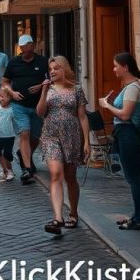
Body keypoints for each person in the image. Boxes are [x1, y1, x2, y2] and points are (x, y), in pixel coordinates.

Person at [37, 56, 90, 235]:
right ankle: (57, 218)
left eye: (56, 68)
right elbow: (40, 112)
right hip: (50, 136)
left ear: (64, 69)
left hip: (72, 137)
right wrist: (44, 91)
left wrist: (87, 142)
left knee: (70, 177)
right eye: (51, 68)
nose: (52, 71)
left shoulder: (77, 89)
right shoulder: (48, 89)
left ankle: (73, 213)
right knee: (56, 174)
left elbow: (82, 116)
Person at [99, 51, 140, 230]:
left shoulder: (132, 88)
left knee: (133, 177)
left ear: (125, 67)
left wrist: (107, 105)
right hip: (126, 134)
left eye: (116, 66)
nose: (114, 69)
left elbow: (125, 115)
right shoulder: (129, 87)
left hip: (128, 134)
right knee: (136, 176)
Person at [2, 34, 49, 184]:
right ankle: (27, 169)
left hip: (38, 106)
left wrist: (41, 86)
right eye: (23, 48)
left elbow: (50, 80)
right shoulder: (14, 62)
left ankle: (23, 154)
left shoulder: (43, 61)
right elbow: (5, 82)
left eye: (28, 47)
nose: (25, 51)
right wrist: (12, 93)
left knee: (36, 136)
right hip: (19, 105)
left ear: (32, 46)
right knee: (24, 133)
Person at [0, 86, 16, 182]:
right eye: (0, 96)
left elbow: (16, 121)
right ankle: (5, 169)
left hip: (9, 135)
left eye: (5, 97)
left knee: (7, 154)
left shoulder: (12, 109)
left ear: (10, 98)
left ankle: (9, 171)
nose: (2, 99)